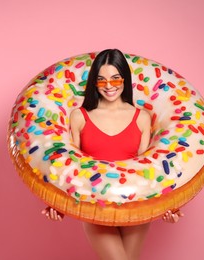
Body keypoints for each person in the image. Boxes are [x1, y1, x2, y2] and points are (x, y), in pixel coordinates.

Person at [41, 49, 184, 260]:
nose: (109, 86)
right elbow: (71, 166)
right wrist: (59, 202)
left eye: (115, 79)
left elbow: (148, 170)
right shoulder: (80, 117)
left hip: (135, 209)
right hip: (96, 209)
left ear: (125, 79)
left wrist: (167, 206)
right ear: (94, 82)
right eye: (101, 80)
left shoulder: (141, 118)